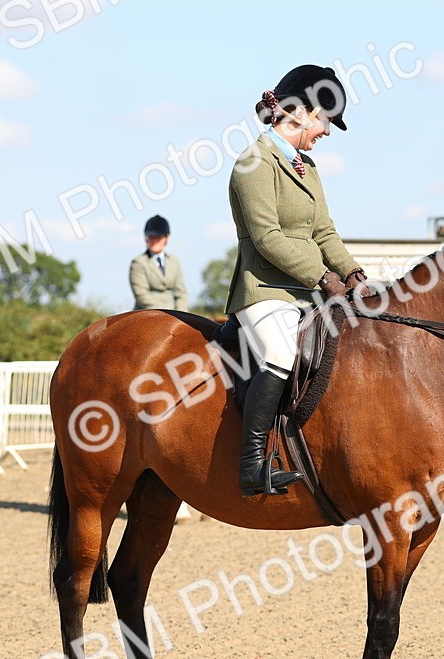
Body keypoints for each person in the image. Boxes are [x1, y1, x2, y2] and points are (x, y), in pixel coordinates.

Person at [224, 64, 369, 497]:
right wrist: (323, 276)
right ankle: (251, 465)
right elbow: (267, 238)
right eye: (325, 121)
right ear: (303, 112)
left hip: (305, 292)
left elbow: (324, 231)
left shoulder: (308, 167)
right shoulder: (253, 163)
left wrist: (353, 273)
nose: (326, 131)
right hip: (265, 290)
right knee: (281, 353)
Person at [130, 215, 189, 311]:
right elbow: (141, 295)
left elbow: (181, 292)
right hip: (147, 313)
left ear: (166, 238)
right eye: (152, 236)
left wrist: (182, 314)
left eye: (159, 237)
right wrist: (164, 313)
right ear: (146, 238)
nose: (155, 240)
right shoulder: (138, 263)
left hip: (175, 315)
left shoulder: (174, 261)